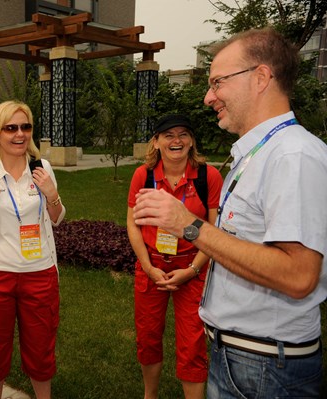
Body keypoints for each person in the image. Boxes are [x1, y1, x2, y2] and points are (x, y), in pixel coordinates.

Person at [133, 27, 327, 398]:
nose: (209, 97)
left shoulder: (292, 156)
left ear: (260, 77)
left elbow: (300, 274)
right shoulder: (258, 154)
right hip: (244, 358)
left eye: (218, 82)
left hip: (266, 366)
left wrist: (188, 225)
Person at [0, 100, 65, 399]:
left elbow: (56, 218)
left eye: (26, 127)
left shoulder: (42, 169)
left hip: (39, 273)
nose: (20, 134)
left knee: (41, 352)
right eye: (11, 128)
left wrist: (53, 195)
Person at [127, 114, 222, 399]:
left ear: (191, 141)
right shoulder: (143, 175)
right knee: (147, 338)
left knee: (192, 343)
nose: (176, 140)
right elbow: (133, 223)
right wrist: (147, 265)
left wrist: (192, 270)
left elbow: (214, 229)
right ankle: (150, 395)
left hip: (193, 267)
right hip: (151, 267)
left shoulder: (208, 176)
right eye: (168, 135)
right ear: (156, 142)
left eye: (183, 134)